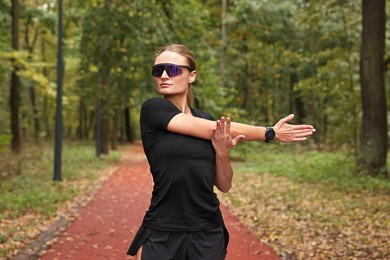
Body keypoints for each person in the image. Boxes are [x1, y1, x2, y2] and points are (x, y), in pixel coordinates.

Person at [127, 44, 315, 260]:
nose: (164, 75)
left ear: (192, 76)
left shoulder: (205, 118)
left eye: (173, 69)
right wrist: (270, 132)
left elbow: (224, 185)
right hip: (164, 228)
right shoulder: (153, 110)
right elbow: (219, 128)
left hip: (207, 230)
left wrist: (222, 153)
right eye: (158, 70)